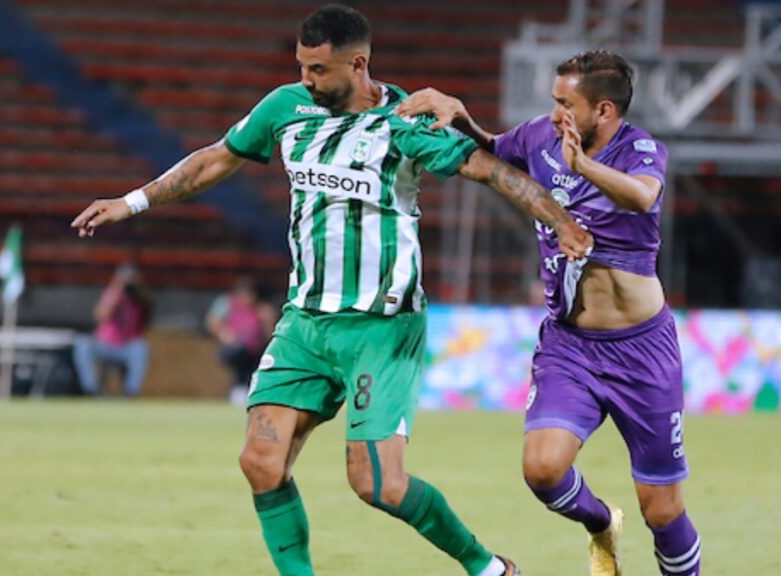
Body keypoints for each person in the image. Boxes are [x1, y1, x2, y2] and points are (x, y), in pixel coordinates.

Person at [72, 5, 592, 575]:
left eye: (318, 69)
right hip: (306, 323)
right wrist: (132, 202)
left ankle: (489, 568)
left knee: (378, 485)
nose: (306, 80)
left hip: (381, 326)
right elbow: (216, 160)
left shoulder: (403, 121)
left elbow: (490, 171)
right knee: (261, 461)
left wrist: (560, 220)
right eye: (301, 66)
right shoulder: (286, 109)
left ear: (358, 63)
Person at [396, 50, 700, 576]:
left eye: (567, 103)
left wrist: (584, 166)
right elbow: (491, 150)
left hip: (642, 351)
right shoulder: (540, 136)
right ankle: (602, 521)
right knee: (542, 469)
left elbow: (643, 197)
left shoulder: (641, 151)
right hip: (570, 345)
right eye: (555, 101)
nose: (556, 112)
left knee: (664, 509)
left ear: (603, 111)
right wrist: (460, 114)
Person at [72, 264, 152, 397]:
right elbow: (99, 316)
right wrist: (117, 292)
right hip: (104, 345)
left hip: (126, 347)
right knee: (82, 344)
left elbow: (149, 314)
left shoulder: (140, 298)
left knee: (141, 348)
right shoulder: (111, 294)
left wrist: (137, 291)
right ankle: (91, 389)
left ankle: (131, 392)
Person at [205, 276, 277, 405]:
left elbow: (270, 333)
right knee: (241, 355)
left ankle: (251, 391)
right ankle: (239, 390)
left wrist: (266, 322)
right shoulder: (227, 303)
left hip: (256, 349)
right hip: (235, 348)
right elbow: (212, 321)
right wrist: (225, 334)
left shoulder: (262, 309)